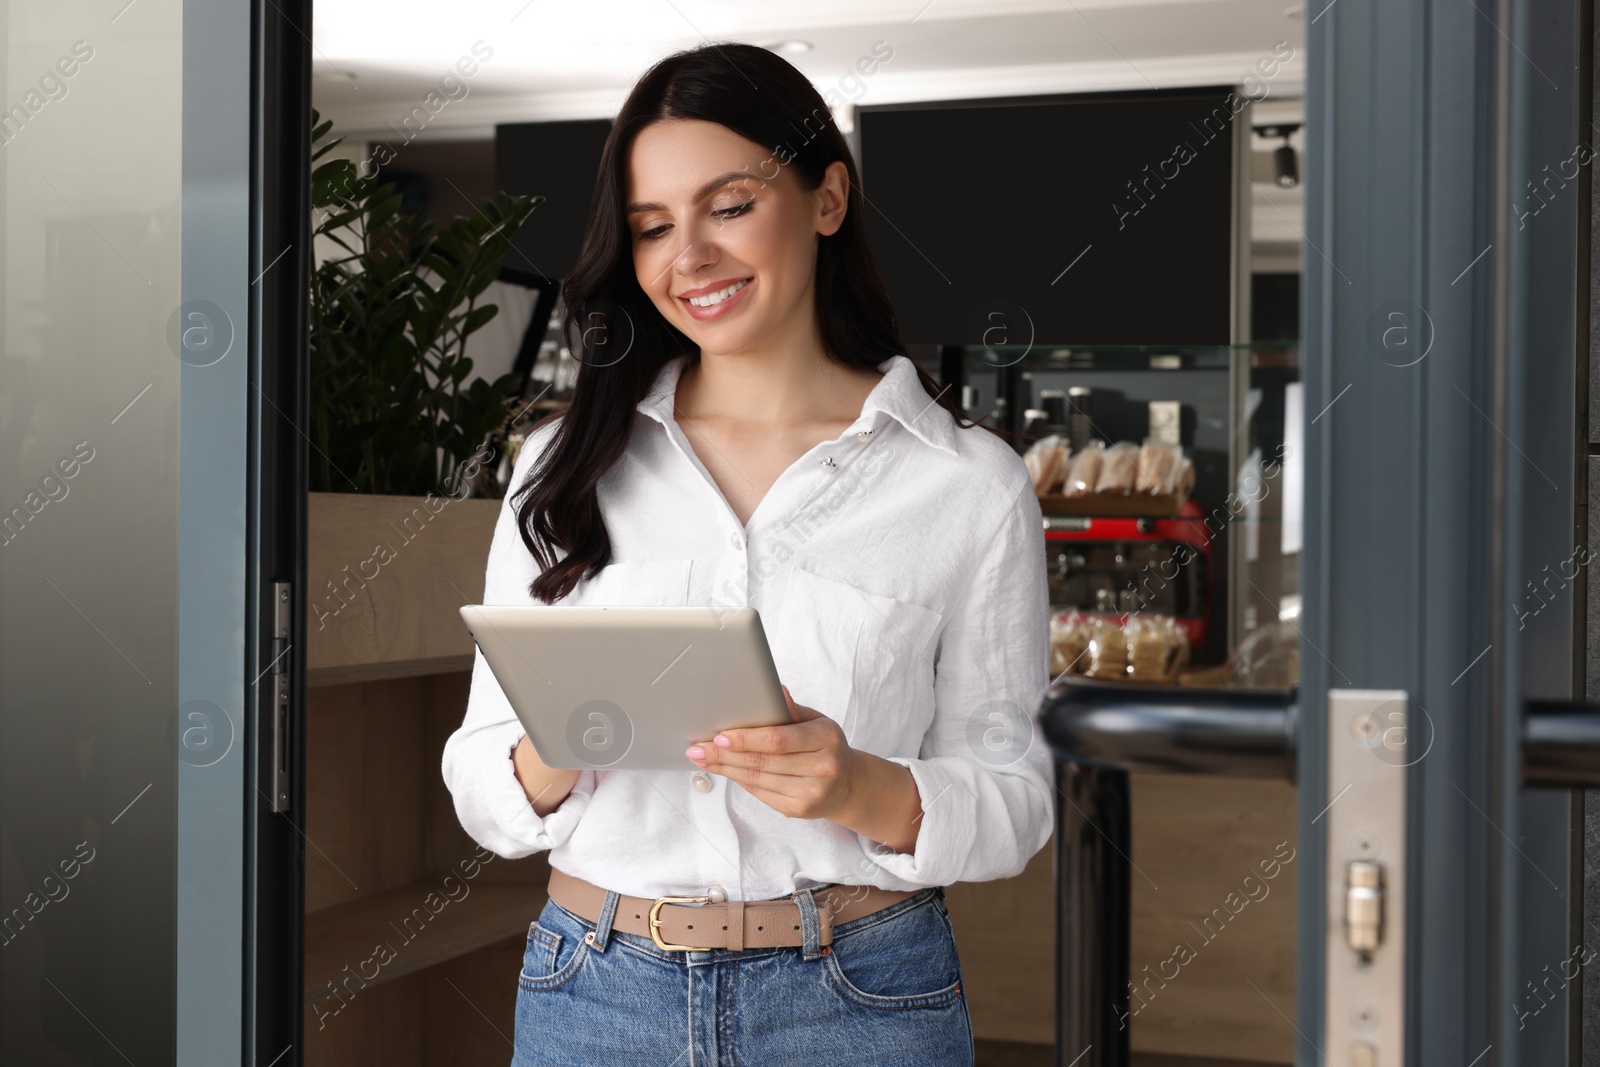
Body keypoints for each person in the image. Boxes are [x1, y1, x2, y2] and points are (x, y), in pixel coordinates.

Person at [441, 39, 1054, 1067]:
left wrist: (859, 786)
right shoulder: (564, 463)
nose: (688, 258)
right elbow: (479, 782)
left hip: (861, 998)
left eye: (727, 206)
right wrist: (564, 737)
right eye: (650, 227)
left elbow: (1016, 796)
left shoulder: (965, 484)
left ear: (826, 198)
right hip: (594, 993)